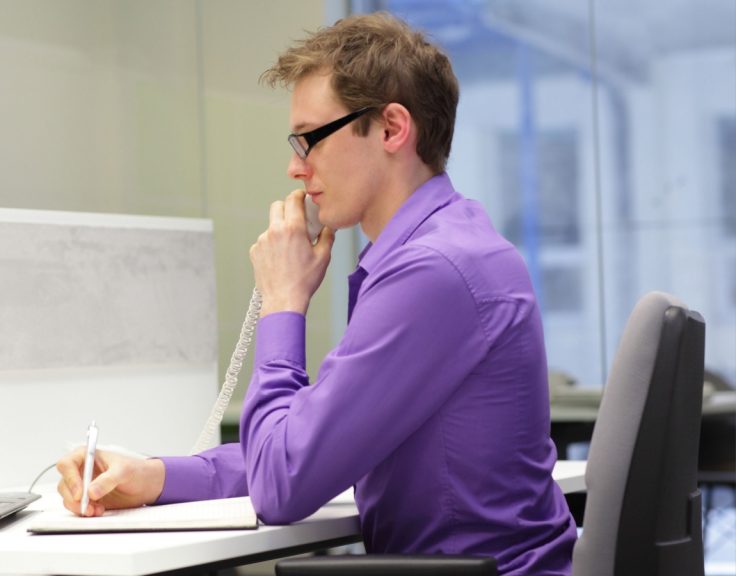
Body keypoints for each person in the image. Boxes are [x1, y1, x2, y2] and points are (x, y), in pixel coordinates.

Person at [57, 12, 576, 575]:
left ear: (391, 129)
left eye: (310, 139)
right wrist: (157, 476)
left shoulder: (433, 273)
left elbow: (285, 483)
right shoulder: (443, 248)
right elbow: (315, 442)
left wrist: (283, 302)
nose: (294, 167)